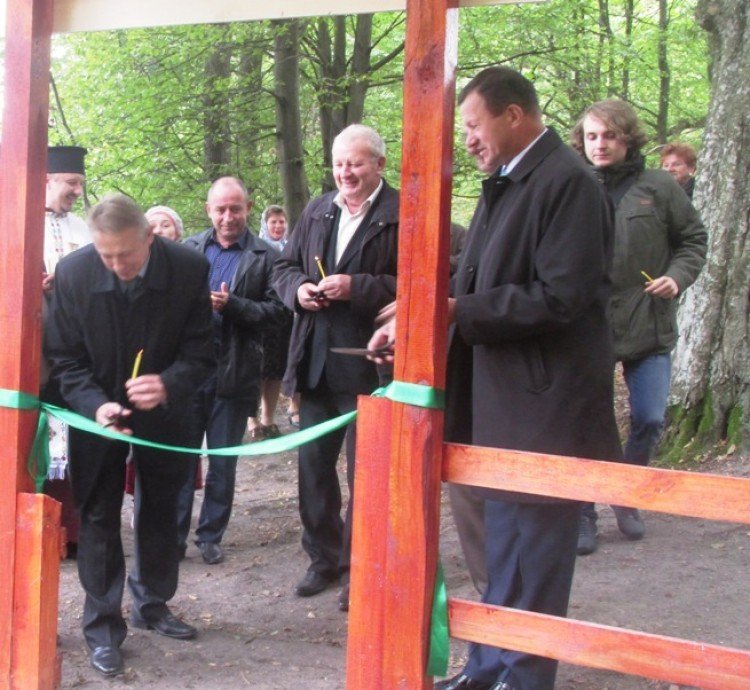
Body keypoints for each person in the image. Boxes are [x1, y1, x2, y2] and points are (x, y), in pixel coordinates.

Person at [370, 67, 622, 690]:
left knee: (534, 557)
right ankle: (487, 667)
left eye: (474, 126)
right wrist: (414, 319)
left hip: (544, 409)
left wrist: (456, 310)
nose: (469, 141)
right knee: (499, 550)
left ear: (515, 115)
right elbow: (471, 276)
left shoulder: (568, 184)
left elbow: (562, 297)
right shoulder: (506, 183)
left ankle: (525, 676)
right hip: (498, 404)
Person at [44, 194, 215, 677]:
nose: (118, 266)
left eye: (126, 255)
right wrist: (94, 404)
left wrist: (169, 384)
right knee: (98, 513)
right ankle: (102, 626)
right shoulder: (75, 273)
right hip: (98, 414)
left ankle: (153, 603)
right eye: (107, 256)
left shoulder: (187, 268)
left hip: (165, 413)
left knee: (161, 506)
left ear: (149, 237)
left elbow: (202, 351)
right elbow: (65, 359)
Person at [571, 100, 707, 554]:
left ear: (628, 138)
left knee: (649, 416)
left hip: (647, 321)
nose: (600, 145)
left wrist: (677, 277)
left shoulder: (659, 185)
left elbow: (693, 240)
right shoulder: (571, 186)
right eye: (592, 136)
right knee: (586, 423)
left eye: (609, 135)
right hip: (586, 327)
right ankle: (583, 511)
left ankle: (627, 492)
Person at [273, 124, 399, 612]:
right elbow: (283, 268)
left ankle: (360, 569)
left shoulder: (400, 213)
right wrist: (300, 290)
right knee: (313, 471)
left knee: (366, 476)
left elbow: (423, 279)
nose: (345, 172)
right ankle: (323, 558)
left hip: (371, 366)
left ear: (379, 165)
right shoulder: (318, 209)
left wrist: (357, 287)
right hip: (315, 362)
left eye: (356, 163)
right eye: (339, 163)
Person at [177, 176, 286, 565]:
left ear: (248, 208)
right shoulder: (189, 249)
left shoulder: (267, 256)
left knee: (223, 462)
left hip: (236, 372)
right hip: (189, 374)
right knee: (181, 459)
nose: (228, 217)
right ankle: (173, 536)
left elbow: (279, 313)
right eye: (220, 209)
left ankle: (210, 536)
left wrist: (233, 306)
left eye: (235, 209)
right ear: (208, 210)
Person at [41, 145, 91, 559]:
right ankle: (37, 531)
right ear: (47, 180)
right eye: (71, 183)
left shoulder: (84, 229)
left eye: (80, 184)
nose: (77, 191)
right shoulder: (14, 221)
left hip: (76, 349)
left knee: (75, 435)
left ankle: (72, 532)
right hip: (31, 351)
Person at [248, 205, 295, 440]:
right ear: (265, 224)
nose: (278, 226)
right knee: (257, 370)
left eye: (281, 221)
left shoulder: (291, 248)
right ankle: (252, 419)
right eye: (273, 222)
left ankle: (268, 419)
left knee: (275, 371)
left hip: (283, 318)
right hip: (259, 316)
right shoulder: (254, 249)